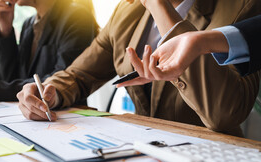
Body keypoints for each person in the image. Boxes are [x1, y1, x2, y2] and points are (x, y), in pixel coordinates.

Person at [17, 0, 261, 137]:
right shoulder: (128, 10)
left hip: (211, 157)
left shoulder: (242, 6)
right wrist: (49, 92)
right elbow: (81, 73)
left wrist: (159, 6)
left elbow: (224, 113)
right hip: (142, 149)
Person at [0, 0, 98, 101]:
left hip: (63, 116)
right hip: (29, 115)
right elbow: (9, 80)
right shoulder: (29, 24)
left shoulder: (77, 17)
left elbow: (57, 82)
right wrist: (5, 30)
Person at [117, 14, 261, 87]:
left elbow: (222, 116)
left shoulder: (239, 6)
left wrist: (157, 4)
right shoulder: (127, 11)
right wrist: (199, 41)